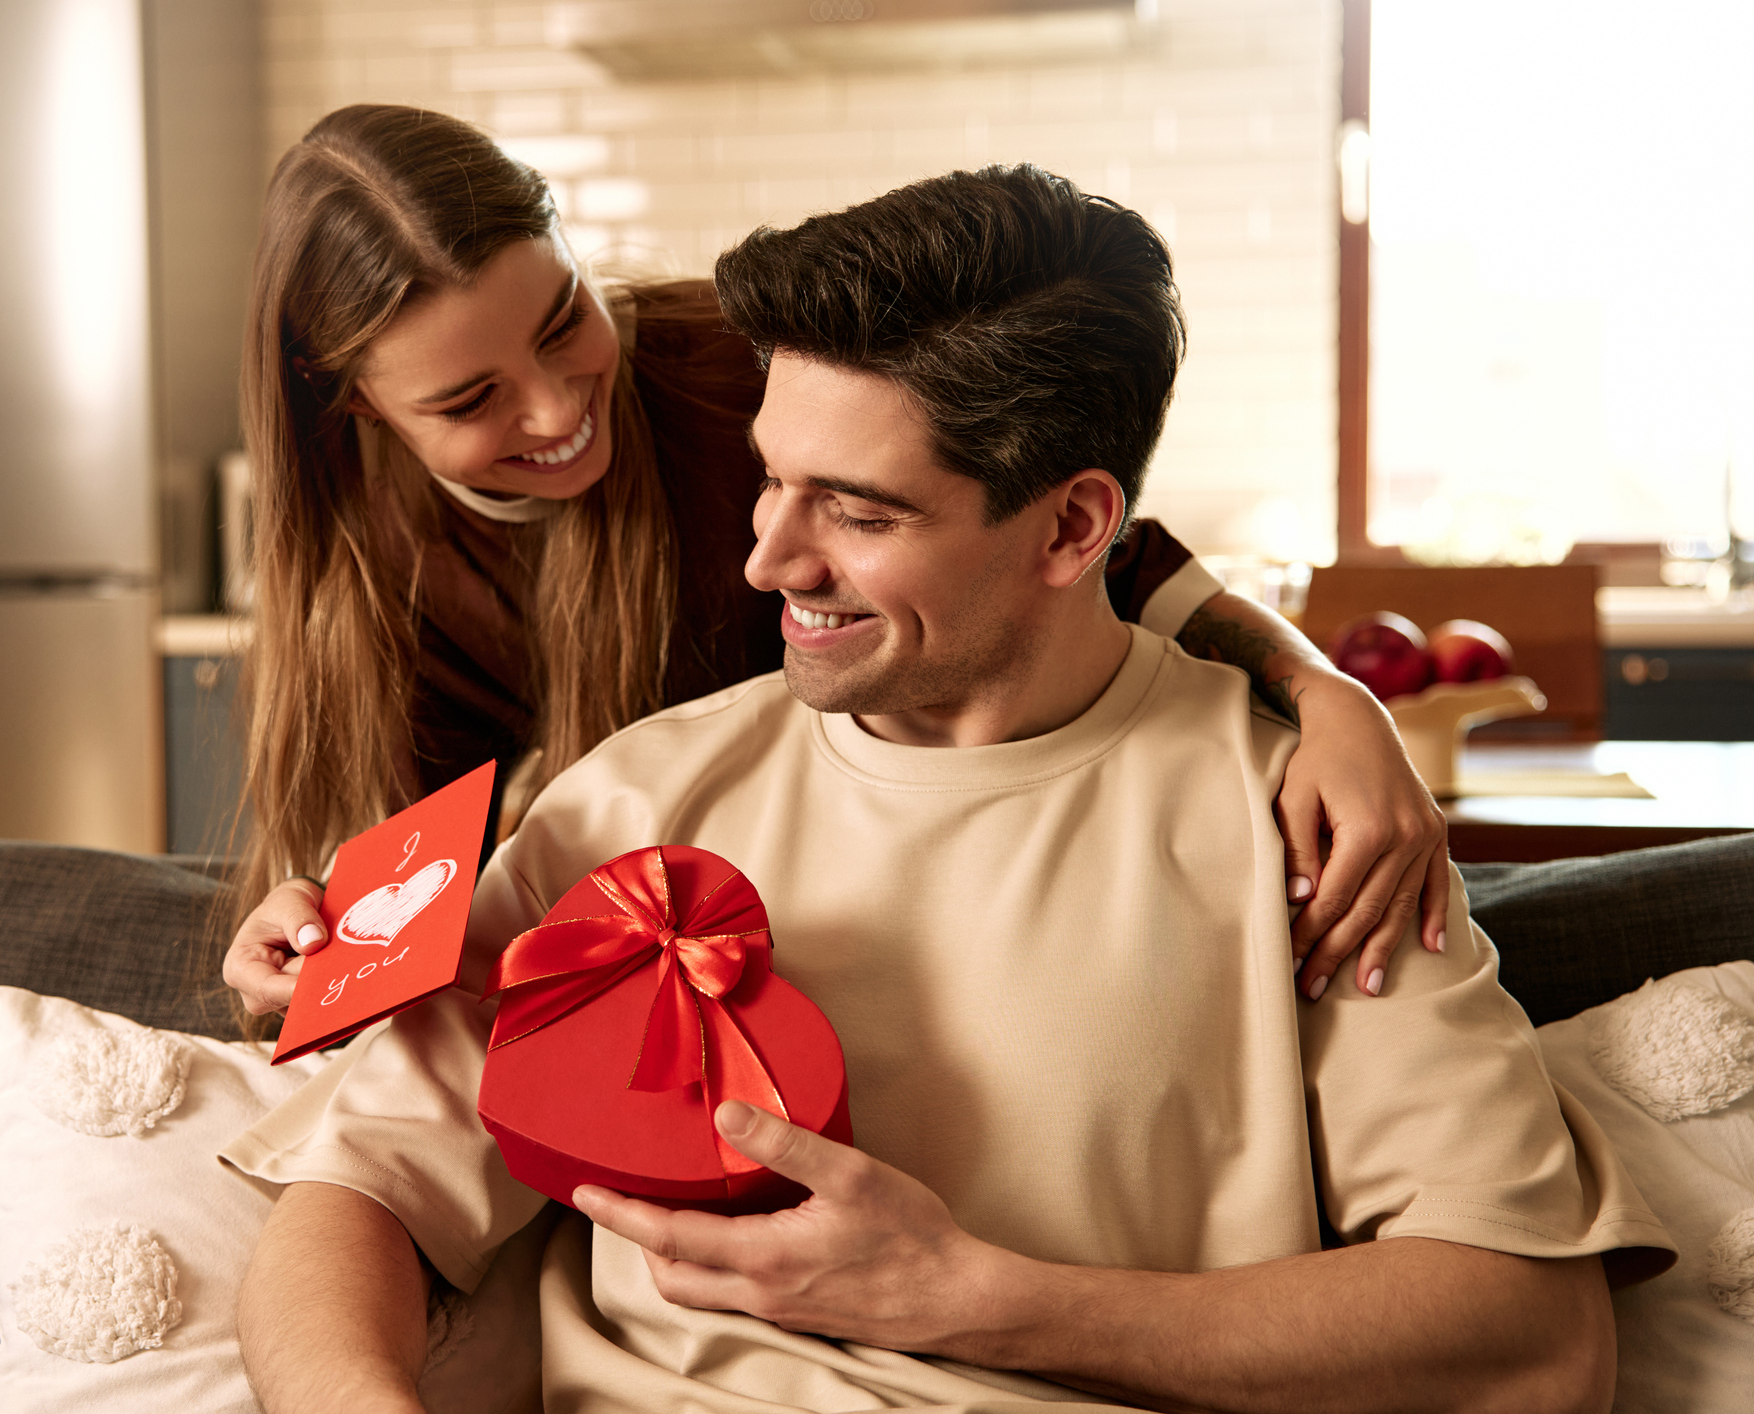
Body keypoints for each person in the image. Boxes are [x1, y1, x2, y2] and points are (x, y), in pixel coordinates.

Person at [223, 164, 1671, 1413]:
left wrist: (977, 1298)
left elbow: (1535, 1347)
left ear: (1072, 525)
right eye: (769, 480)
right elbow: (357, 1195)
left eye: (857, 512)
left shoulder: (1300, 831)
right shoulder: (640, 799)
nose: (767, 560)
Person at [214, 104, 1446, 1025]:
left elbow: (1104, 557)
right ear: (362, 411)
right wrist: (320, 925)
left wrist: (1333, 701)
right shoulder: (380, 562)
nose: (555, 410)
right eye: (475, 397)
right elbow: (420, 865)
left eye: (563, 322)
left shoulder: (734, 364)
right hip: (673, 956)